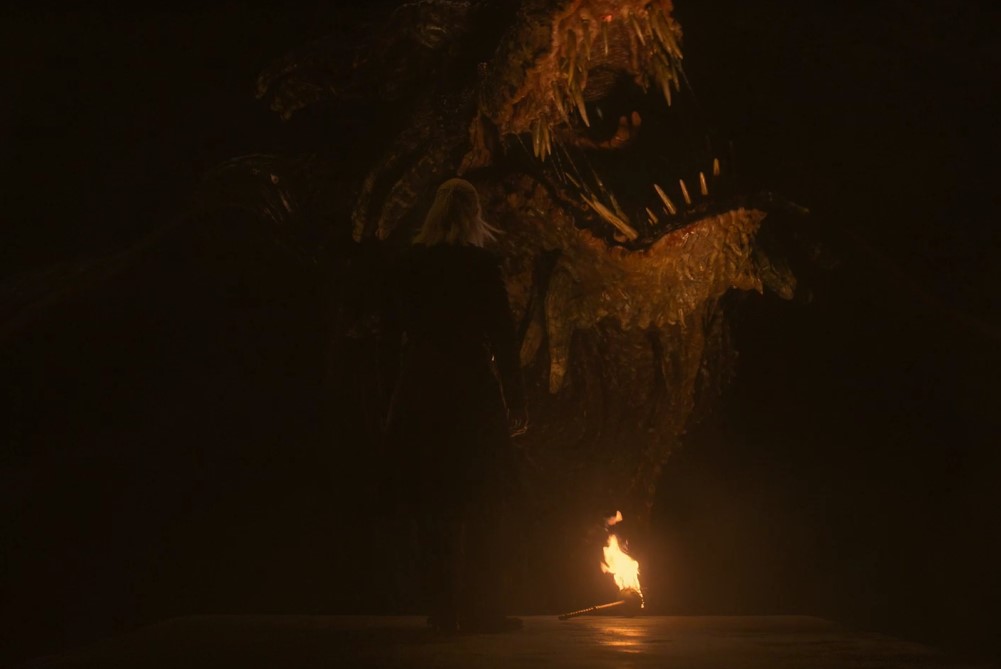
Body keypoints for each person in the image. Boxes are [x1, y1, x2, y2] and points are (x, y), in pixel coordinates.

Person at [381, 177, 527, 633]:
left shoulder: (411, 265)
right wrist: (515, 397)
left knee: (434, 500)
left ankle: (443, 609)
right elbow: (502, 335)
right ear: (474, 215)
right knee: (483, 498)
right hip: (470, 389)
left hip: (422, 386)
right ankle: (484, 609)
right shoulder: (480, 266)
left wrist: (392, 393)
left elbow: (394, 331)